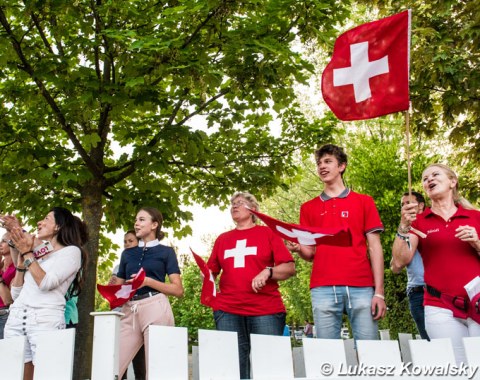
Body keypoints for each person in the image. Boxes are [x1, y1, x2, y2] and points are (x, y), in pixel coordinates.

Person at [288, 144, 387, 341]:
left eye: (327, 161)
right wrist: (299, 249)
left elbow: (375, 248)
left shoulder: (364, 201)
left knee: (371, 353)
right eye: (319, 163)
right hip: (322, 286)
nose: (321, 167)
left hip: (361, 285)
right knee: (327, 355)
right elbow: (310, 254)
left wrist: (380, 292)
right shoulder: (308, 208)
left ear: (342, 166)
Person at [392, 163, 480, 364]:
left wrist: (476, 243)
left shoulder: (476, 217)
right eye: (424, 178)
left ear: (452, 182)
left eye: (435, 175)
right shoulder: (419, 222)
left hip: (478, 303)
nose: (429, 179)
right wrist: (403, 226)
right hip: (440, 306)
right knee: (453, 369)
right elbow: (399, 261)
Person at [207, 192, 296, 379]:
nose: (234, 206)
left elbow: (289, 267)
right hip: (228, 310)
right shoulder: (222, 239)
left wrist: (268, 271)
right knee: (232, 369)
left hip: (265, 310)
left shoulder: (268, 233)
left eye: (239, 203)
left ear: (253, 210)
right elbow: (211, 272)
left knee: (269, 368)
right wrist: (206, 276)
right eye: (232, 203)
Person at [3, 207, 88, 380]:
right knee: (12, 374)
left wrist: (27, 254)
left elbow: (46, 283)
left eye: (46, 218)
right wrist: (20, 264)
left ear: (58, 226)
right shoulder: (40, 253)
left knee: (47, 375)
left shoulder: (72, 252)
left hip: (44, 320)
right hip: (17, 318)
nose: (39, 222)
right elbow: (16, 294)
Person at [112, 207, 183, 379]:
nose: (136, 223)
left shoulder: (166, 252)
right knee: (111, 366)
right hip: (130, 309)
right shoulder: (127, 254)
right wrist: (111, 290)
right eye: (136, 220)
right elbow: (119, 290)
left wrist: (147, 281)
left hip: (156, 307)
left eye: (142, 219)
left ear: (154, 225)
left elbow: (178, 290)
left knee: (157, 370)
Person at [390, 191, 429, 340]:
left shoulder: (433, 224)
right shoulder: (404, 231)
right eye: (402, 204)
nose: (405, 206)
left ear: (420, 206)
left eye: (409, 203)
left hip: (441, 291)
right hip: (418, 292)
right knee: (430, 343)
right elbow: (395, 266)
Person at [111, 230, 145, 380]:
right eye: (125, 241)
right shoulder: (118, 266)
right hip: (120, 314)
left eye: (130, 241)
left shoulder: (145, 263)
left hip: (137, 314)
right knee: (120, 358)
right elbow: (114, 290)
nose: (126, 244)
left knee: (139, 359)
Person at [0, 232, 15, 339]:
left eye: (4, 241)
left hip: (5, 315)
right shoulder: (1, 266)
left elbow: (8, 300)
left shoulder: (16, 267)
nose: (0, 243)